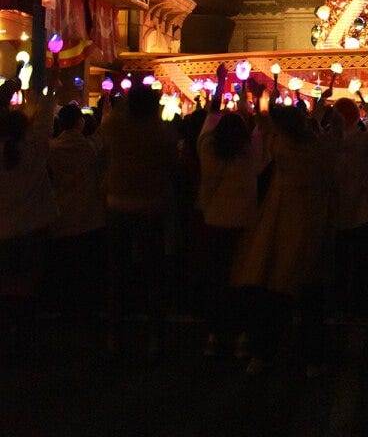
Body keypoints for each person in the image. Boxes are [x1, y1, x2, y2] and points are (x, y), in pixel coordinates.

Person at [231, 99, 336, 375]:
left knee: (275, 297)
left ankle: (263, 353)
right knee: (310, 297)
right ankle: (314, 358)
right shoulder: (319, 151)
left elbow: (267, 129)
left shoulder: (280, 150)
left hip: (280, 229)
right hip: (310, 226)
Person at [102, 84, 178, 360]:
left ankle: (115, 337)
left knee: (118, 272)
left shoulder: (115, 127)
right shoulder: (163, 132)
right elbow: (172, 164)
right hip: (151, 203)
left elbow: (105, 135)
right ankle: (155, 338)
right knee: (153, 274)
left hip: (117, 202)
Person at [196, 96, 270, 356]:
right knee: (242, 282)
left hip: (215, 222)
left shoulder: (208, 153)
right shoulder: (250, 155)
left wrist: (217, 97)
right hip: (244, 225)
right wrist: (259, 101)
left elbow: (206, 129)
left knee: (217, 281)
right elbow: (264, 132)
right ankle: (242, 336)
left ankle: (215, 335)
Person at [0, 78, 57, 360]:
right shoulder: (34, 152)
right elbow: (45, 125)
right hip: (33, 229)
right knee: (28, 287)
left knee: (6, 285)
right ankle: (24, 341)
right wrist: (51, 91)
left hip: (4, 232)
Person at [331, 91, 368, 318]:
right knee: (363, 261)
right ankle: (362, 304)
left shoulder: (328, 144)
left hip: (337, 212)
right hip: (363, 211)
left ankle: (340, 304)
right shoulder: (367, 140)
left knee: (341, 262)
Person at [47, 101, 105, 316]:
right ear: (80, 122)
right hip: (90, 215)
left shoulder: (51, 148)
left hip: (61, 213)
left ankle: (64, 307)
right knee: (86, 267)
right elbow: (102, 133)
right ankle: (87, 308)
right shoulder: (91, 147)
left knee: (65, 267)